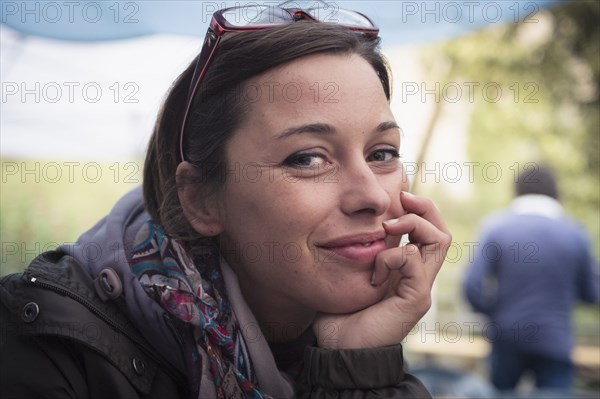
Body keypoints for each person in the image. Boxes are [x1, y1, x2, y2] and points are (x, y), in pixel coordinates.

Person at [0, 2, 451, 398]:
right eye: (307, 158)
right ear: (200, 200)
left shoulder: (341, 326)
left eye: (383, 153)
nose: (372, 195)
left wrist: (358, 367)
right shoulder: (44, 349)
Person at [463, 165, 599, 393]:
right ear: (556, 193)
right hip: (555, 339)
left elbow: (471, 286)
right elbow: (593, 293)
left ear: (516, 191)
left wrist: (496, 315)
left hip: (507, 336)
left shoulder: (496, 229)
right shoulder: (576, 235)